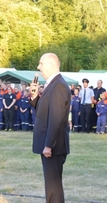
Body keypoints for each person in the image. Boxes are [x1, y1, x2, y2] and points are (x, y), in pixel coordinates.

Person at [29, 53, 71, 203]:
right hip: (50, 145)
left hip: (53, 146)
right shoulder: (52, 84)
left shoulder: (58, 85)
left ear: (51, 65)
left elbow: (56, 118)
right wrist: (35, 97)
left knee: (54, 187)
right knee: (51, 185)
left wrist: (48, 145)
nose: (38, 67)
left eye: (41, 63)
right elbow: (44, 110)